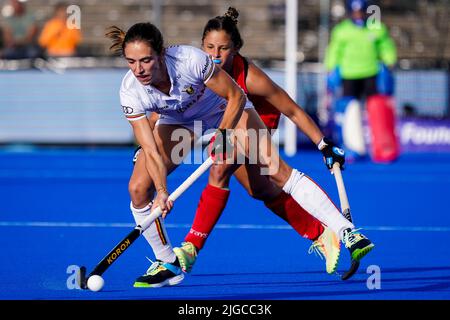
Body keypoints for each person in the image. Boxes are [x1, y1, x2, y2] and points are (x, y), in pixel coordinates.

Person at [106, 21, 374, 288]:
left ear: (161, 54)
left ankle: (346, 232)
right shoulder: (130, 91)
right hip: (179, 122)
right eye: (131, 62)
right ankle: (167, 263)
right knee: (139, 188)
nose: (139, 69)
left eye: (145, 61)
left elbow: (235, 95)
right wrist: (162, 190)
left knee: (276, 173)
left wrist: (223, 135)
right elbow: (150, 149)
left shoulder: (190, 60)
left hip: (225, 109)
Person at [172, 7, 343, 276]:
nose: (215, 55)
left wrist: (323, 143)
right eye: (209, 47)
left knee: (220, 167)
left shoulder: (251, 77)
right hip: (228, 124)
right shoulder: (200, 69)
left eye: (223, 48)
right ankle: (320, 232)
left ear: (236, 48)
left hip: (258, 123)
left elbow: (293, 110)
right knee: (259, 190)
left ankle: (191, 247)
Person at [325, 0, 399, 163]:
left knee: (377, 109)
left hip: (372, 73)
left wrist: (389, 60)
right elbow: (334, 51)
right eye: (355, 11)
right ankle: (355, 148)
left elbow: (386, 47)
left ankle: (383, 148)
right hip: (349, 75)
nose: (358, 14)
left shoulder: (377, 28)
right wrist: (330, 68)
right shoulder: (342, 30)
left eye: (361, 11)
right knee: (351, 110)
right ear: (350, 12)